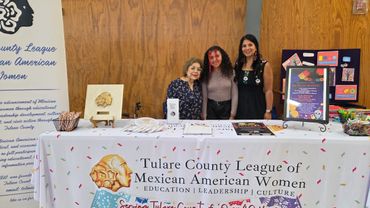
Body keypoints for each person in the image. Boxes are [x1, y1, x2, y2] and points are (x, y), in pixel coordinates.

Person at [234, 34, 273, 119]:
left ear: (256, 47)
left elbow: (268, 91)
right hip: (240, 110)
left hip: (258, 109)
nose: (247, 48)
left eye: (250, 45)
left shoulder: (264, 65)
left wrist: (268, 111)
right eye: (244, 46)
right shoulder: (238, 65)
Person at [200, 45, 238, 120]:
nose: (214, 59)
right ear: (208, 60)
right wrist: (204, 114)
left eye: (217, 56)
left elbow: (235, 94)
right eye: (211, 58)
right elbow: (204, 96)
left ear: (222, 56)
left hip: (227, 108)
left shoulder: (231, 72)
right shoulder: (206, 74)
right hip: (211, 108)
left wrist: (232, 114)